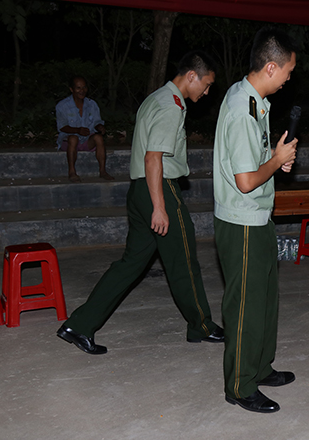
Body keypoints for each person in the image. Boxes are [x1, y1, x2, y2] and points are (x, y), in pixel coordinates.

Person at [57, 52, 224, 355]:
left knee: (131, 264)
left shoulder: (155, 98)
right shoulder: (170, 105)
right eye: (208, 84)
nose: (207, 91)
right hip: (158, 189)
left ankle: (78, 325)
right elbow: (153, 157)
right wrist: (160, 207)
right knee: (184, 261)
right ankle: (200, 325)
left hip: (139, 191)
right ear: (191, 76)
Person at [213, 27, 298, 414]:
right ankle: (240, 385)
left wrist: (275, 161)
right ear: (270, 67)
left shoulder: (254, 101)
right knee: (246, 304)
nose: (289, 79)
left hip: (258, 215)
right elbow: (246, 181)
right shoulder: (242, 110)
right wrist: (276, 163)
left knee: (265, 299)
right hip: (242, 219)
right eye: (288, 71)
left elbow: (255, 166)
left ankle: (259, 367)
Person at [56, 76, 114, 182]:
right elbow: (62, 127)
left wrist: (99, 127)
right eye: (78, 88)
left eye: (84, 87)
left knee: (98, 138)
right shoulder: (62, 105)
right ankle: (72, 172)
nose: (82, 91)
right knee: (73, 138)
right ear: (71, 89)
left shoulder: (92, 104)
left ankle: (102, 171)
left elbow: (97, 121)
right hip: (69, 141)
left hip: (87, 140)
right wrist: (77, 130)